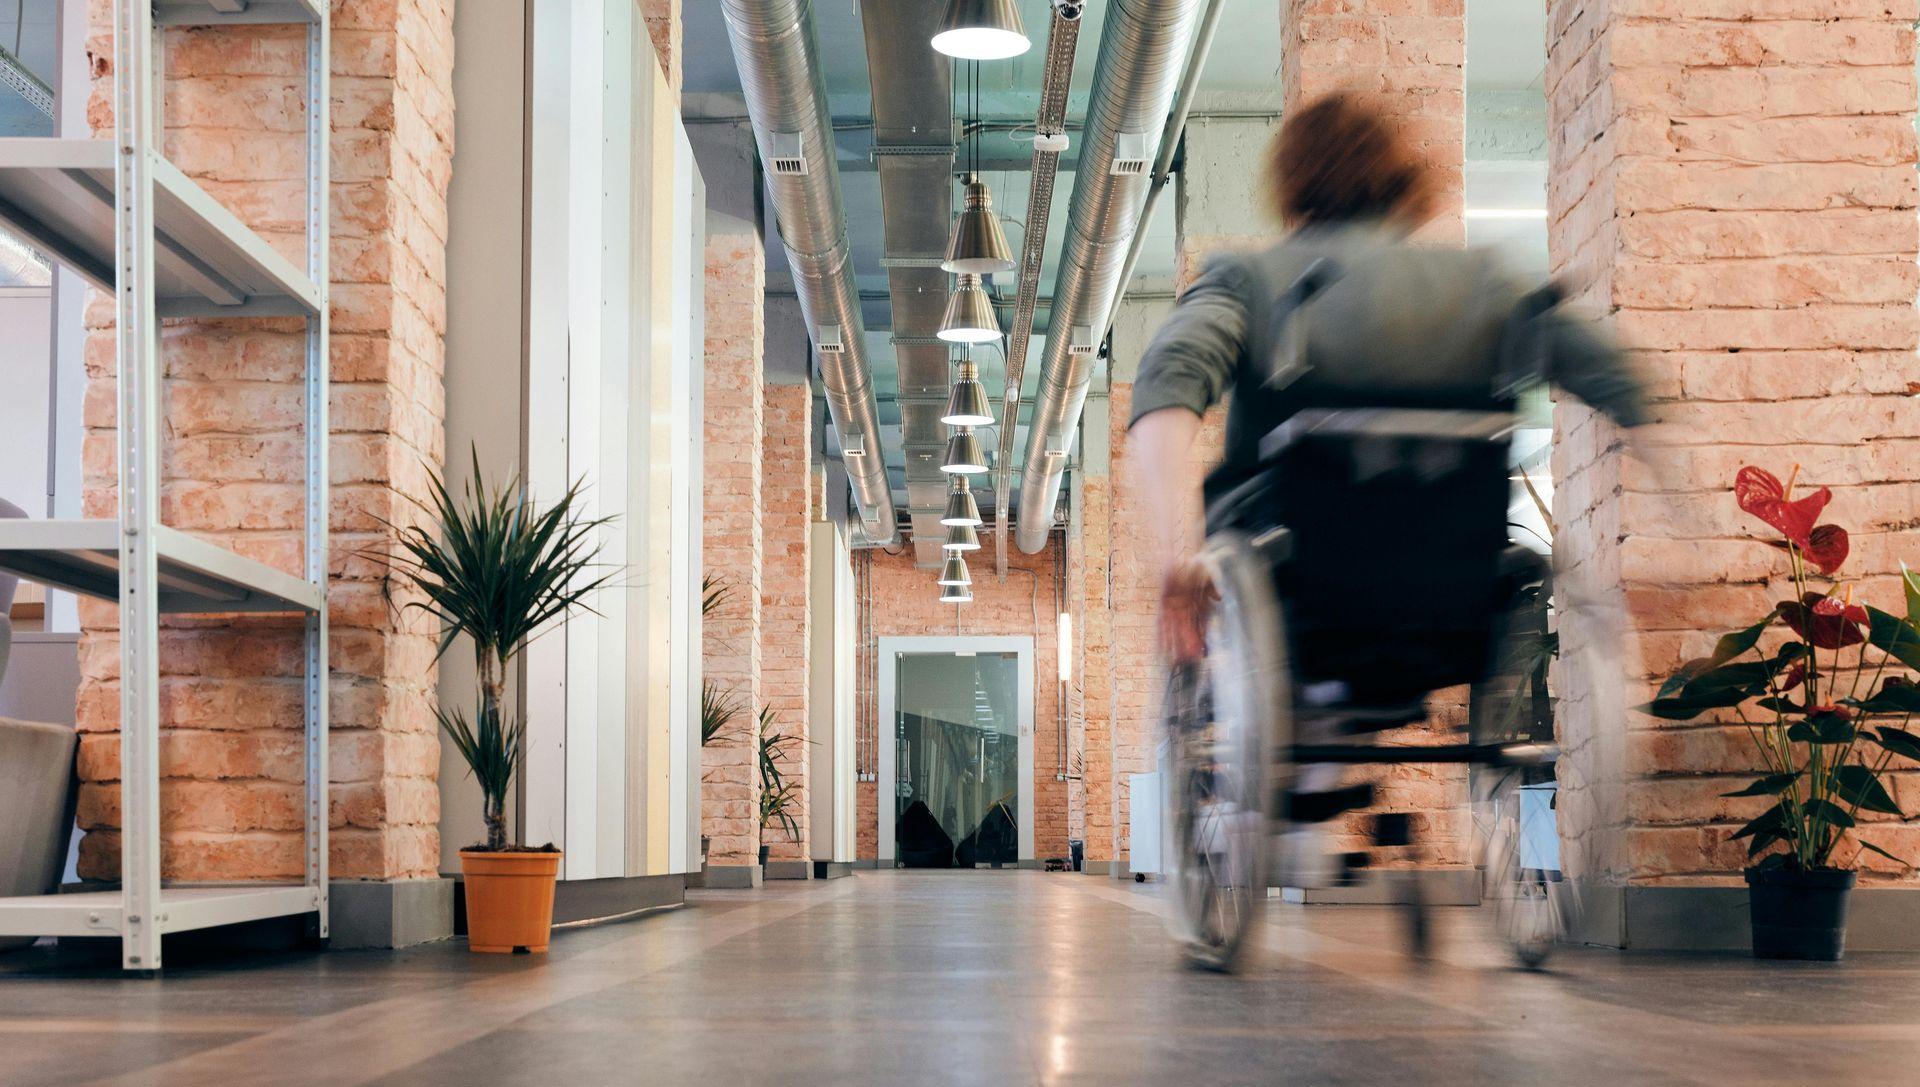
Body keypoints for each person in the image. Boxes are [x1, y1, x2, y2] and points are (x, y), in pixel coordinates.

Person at [1128, 92, 1649, 666]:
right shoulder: (1483, 282)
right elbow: (1612, 375)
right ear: (1398, 177)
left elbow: (1167, 385)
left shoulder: (1249, 279)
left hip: (1293, 568)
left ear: (1291, 180)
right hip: (1454, 572)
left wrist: (1175, 556)